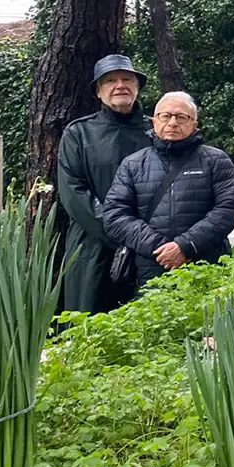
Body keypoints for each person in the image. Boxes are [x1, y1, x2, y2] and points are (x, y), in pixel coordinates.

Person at [103, 91, 234, 292]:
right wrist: (159, 248)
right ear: (154, 122)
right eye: (165, 116)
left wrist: (185, 246)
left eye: (181, 117)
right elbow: (115, 215)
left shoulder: (216, 161)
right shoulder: (133, 164)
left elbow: (227, 209)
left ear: (194, 124)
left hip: (206, 267)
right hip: (150, 272)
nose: (173, 123)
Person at [57, 54, 154, 314]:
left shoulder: (156, 133)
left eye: (127, 79)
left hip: (148, 249)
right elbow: (74, 194)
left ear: (137, 87)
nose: (119, 85)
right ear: (98, 92)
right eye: (110, 80)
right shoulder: (78, 134)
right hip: (92, 248)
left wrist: (144, 241)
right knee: (88, 329)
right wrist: (122, 234)